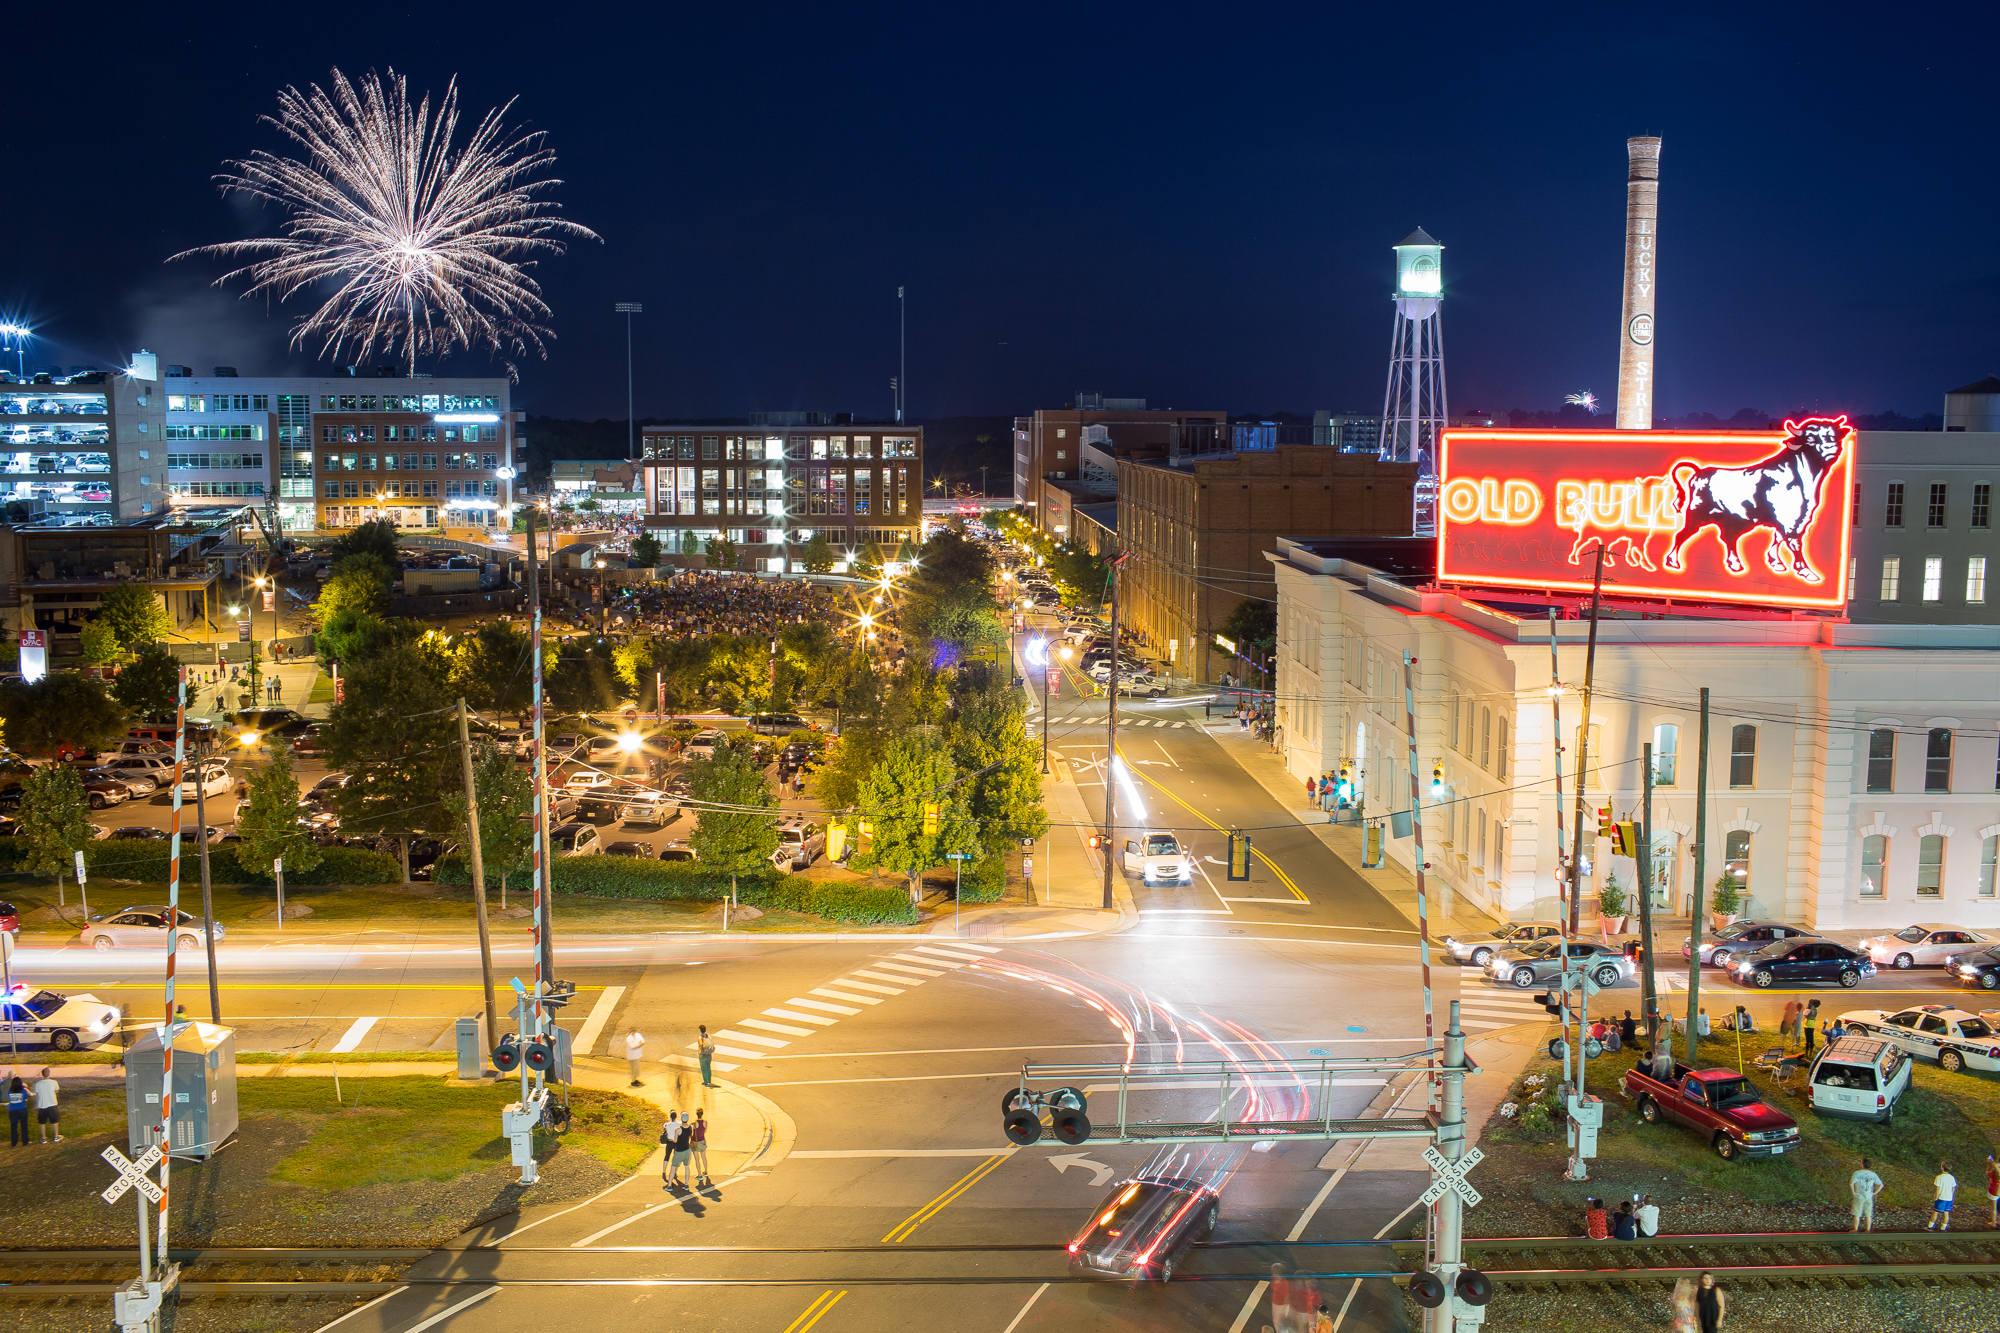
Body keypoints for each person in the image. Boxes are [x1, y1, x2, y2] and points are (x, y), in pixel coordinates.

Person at [1850, 1157, 1884, 1232]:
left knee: (1857, 1213)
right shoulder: (1873, 1174)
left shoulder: (1857, 1173)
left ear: (1862, 1165)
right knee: (1868, 1213)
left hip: (1859, 1196)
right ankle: (1868, 1229)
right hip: (1869, 1196)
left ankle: (1855, 1229)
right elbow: (1881, 1185)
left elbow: (1851, 1183)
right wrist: (1875, 1193)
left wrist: (1854, 1193)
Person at [32, 1068, 59, 1143]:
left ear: (42, 1074)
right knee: (55, 1121)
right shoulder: (54, 1082)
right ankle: (56, 1136)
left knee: (42, 1122)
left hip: (42, 1105)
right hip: (52, 1103)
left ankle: (43, 1138)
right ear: (49, 1074)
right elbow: (56, 1090)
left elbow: (37, 1092)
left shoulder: (38, 1084)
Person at [1930, 1160, 1958, 1231]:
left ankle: (1930, 1225)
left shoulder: (1939, 1177)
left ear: (1942, 1168)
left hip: (1941, 1197)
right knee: (1946, 1213)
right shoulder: (1952, 1178)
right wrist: (1952, 1196)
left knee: (1935, 1212)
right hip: (1949, 1198)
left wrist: (1936, 1196)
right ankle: (1944, 1227)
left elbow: (1937, 1188)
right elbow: (1953, 1188)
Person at [659, 1112, 682, 1188]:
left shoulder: (667, 1125)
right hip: (676, 1142)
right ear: (676, 1117)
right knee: (675, 1158)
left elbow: (664, 1125)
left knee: (666, 1157)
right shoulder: (678, 1124)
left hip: (669, 1141)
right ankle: (674, 1172)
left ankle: (664, 1171)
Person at [5, 1077, 28, 1147]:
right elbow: (26, 1099)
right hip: (22, 1109)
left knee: (13, 1126)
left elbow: (9, 1100)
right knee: (24, 1126)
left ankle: (14, 1142)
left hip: (12, 1110)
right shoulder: (23, 1091)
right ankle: (25, 1142)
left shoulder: (9, 1091)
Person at [691, 1108, 710, 1186]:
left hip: (695, 1142)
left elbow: (692, 1132)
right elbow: (705, 1131)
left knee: (697, 1159)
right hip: (702, 1141)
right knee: (703, 1157)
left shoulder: (694, 1123)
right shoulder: (705, 1122)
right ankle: (705, 1171)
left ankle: (699, 1174)